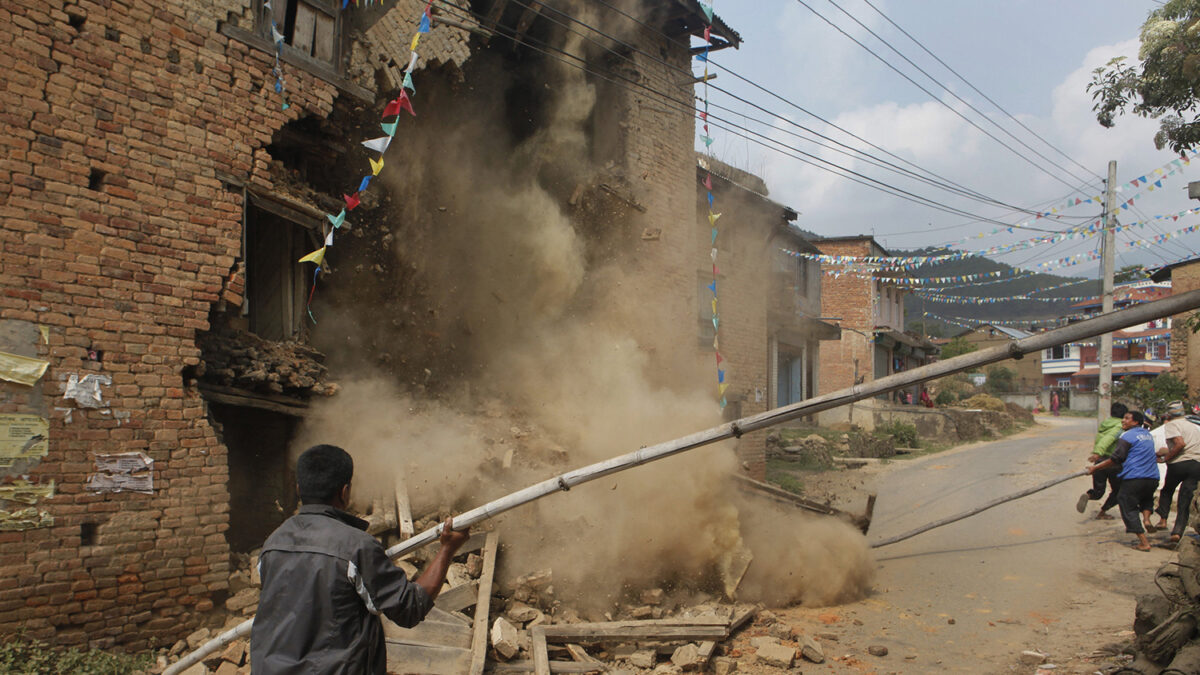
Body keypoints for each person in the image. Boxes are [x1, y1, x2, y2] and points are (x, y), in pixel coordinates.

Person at [251, 444, 470, 674]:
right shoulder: (355, 547)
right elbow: (410, 608)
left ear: (298, 489)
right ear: (344, 492)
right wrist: (447, 549)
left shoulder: (273, 544)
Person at [1087, 410, 1159, 552]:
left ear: (1136, 422)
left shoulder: (1127, 436)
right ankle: (1146, 519)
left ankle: (1144, 542)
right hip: (1153, 477)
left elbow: (1116, 459)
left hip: (1134, 477)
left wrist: (1095, 468)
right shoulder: (1148, 435)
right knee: (1146, 499)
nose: (1123, 421)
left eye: (1127, 419)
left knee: (1126, 502)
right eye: (1123, 418)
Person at [1153, 400, 1200, 543]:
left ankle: (1162, 520)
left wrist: (1166, 458)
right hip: (1196, 465)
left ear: (1169, 414)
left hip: (1179, 465)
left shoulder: (1172, 425)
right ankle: (1177, 532)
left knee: (1167, 490)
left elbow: (1180, 443)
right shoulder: (1192, 426)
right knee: (1185, 499)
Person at [1076, 402, 1128, 520]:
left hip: (1099, 462)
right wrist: (1097, 452)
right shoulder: (1120, 426)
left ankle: (1089, 495)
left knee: (1098, 491)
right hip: (1112, 462)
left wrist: (1098, 455)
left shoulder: (1105, 424)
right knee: (1118, 491)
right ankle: (1103, 512)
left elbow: (1102, 438)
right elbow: (1108, 439)